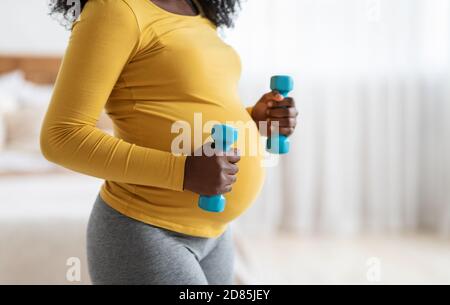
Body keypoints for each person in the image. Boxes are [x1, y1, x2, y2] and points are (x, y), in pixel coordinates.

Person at [41, 0, 298, 285]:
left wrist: (254, 119)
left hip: (216, 234)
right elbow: (61, 136)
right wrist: (182, 171)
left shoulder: (198, 8)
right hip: (146, 229)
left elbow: (190, 101)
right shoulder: (115, 9)